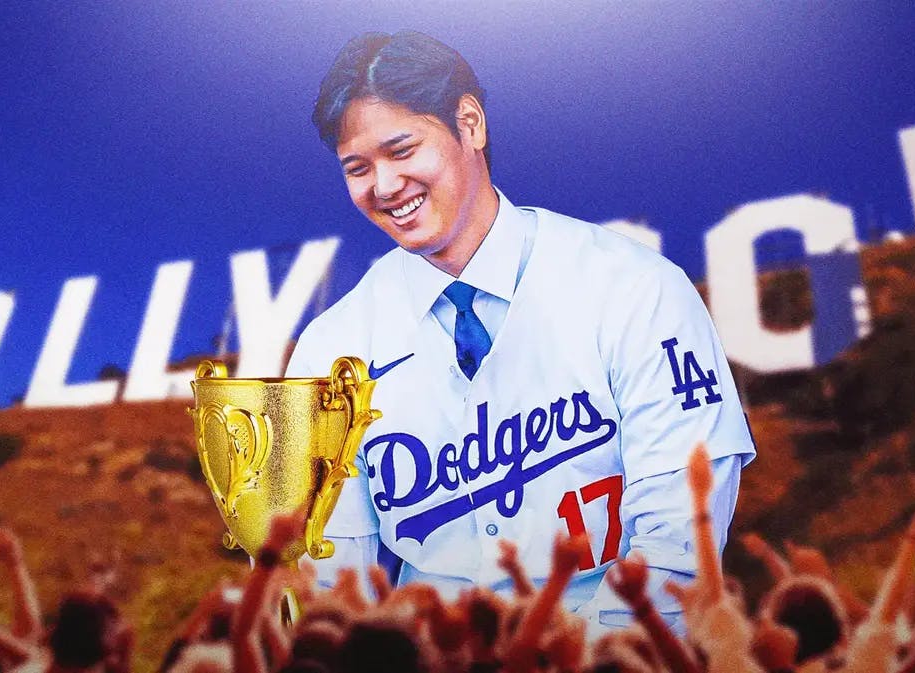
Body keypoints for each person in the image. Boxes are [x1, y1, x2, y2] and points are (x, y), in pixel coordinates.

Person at [285, 29, 756, 635]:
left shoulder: (635, 287)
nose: (383, 186)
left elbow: (679, 544)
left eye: (402, 150)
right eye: (358, 168)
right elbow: (335, 577)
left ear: (470, 123)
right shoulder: (332, 347)